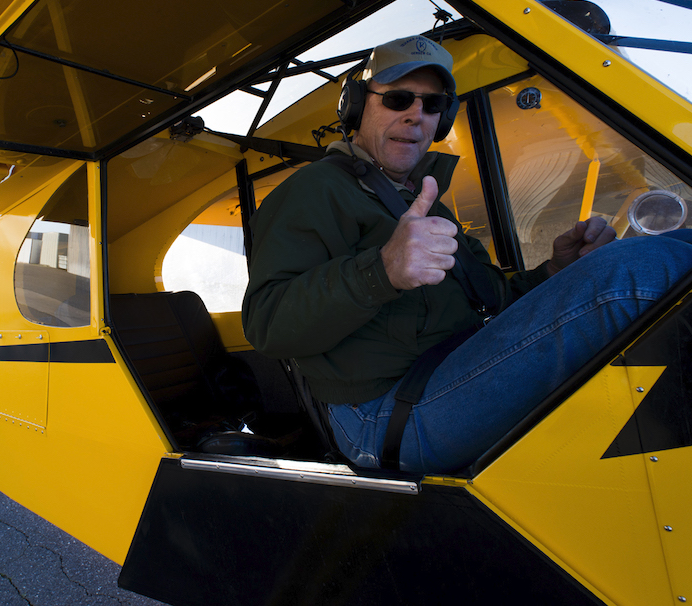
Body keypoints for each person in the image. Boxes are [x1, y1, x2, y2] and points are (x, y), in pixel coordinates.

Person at [241, 35, 692, 473]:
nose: (416, 116)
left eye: (432, 105)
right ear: (358, 107)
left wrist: (556, 270)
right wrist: (382, 272)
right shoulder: (312, 191)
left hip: (454, 366)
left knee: (667, 247)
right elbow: (267, 325)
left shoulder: (424, 200)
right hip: (382, 417)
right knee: (636, 273)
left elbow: (488, 296)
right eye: (397, 99)